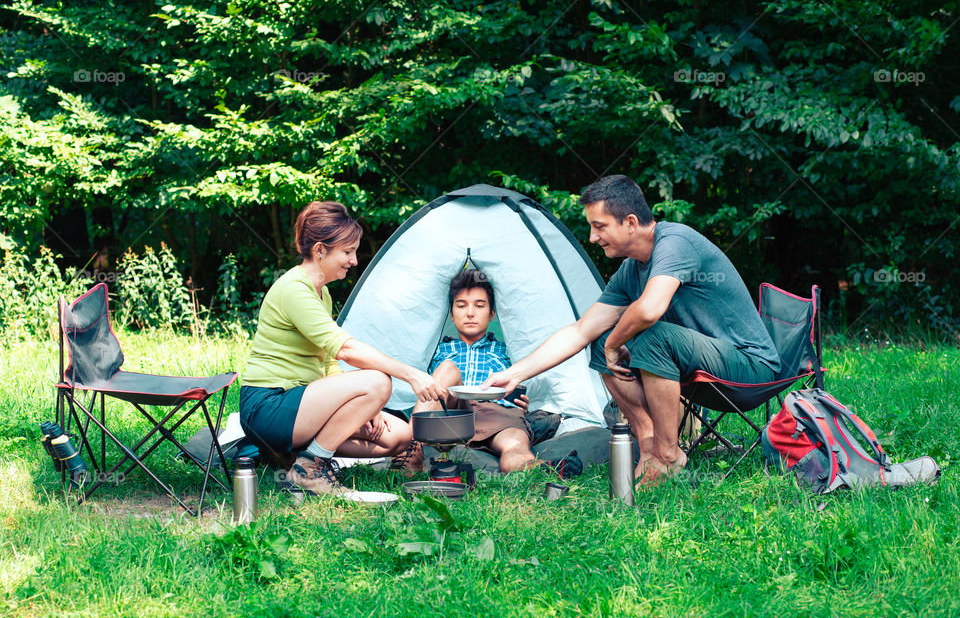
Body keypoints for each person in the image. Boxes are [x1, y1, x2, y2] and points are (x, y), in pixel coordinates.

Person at [485, 175, 780, 487]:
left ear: (629, 222)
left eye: (599, 226)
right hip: (698, 376)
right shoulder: (631, 269)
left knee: (652, 336)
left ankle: (668, 457)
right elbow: (581, 330)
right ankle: (650, 445)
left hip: (749, 373)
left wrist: (615, 344)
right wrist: (516, 374)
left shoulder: (675, 243)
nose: (592, 237)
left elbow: (650, 309)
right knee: (600, 341)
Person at [239, 201, 443, 498]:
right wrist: (409, 374)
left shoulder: (322, 293)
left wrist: (367, 409)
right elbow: (345, 349)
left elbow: (330, 361)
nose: (354, 260)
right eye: (347, 252)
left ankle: (295, 458)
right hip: (269, 405)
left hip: (300, 405)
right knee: (377, 381)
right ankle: (310, 468)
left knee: (398, 436)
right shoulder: (294, 289)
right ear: (320, 250)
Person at [409, 269, 537, 473]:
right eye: (461, 306)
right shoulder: (436, 349)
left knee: (515, 445)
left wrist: (521, 401)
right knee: (447, 368)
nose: (470, 313)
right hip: (449, 412)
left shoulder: (506, 350)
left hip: (494, 412)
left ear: (492, 313)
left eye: (479, 306)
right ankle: (411, 448)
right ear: (451, 314)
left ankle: (537, 471)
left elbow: (519, 382)